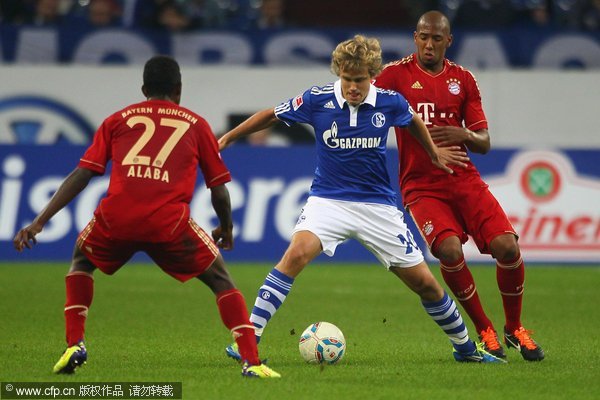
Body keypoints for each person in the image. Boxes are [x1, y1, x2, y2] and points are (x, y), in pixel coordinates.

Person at [218, 35, 505, 364]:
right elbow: (271, 115)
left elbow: (412, 120)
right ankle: (248, 339)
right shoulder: (317, 99)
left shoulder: (390, 102)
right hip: (328, 201)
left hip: (377, 207)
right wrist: (229, 136)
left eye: (361, 80)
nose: (353, 87)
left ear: (372, 75)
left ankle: (466, 349)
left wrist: (433, 152)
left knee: (425, 284)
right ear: (339, 72)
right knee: (295, 255)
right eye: (347, 79)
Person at [13, 55, 281, 378]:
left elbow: (83, 174)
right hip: (169, 223)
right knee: (221, 280)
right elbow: (219, 189)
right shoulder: (196, 125)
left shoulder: (117, 120)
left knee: (82, 261)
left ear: (143, 89)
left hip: (117, 218)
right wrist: (226, 228)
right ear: (179, 90)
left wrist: (39, 221)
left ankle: (74, 344)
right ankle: (251, 362)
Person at [373, 10, 544, 361]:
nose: (429, 44)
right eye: (423, 37)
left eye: (437, 38)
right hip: (421, 185)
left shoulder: (463, 80)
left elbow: (484, 142)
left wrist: (463, 133)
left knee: (507, 247)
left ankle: (514, 328)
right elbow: (362, 108)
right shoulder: (394, 75)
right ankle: (484, 329)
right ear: (414, 37)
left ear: (448, 41)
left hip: (464, 179)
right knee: (448, 250)